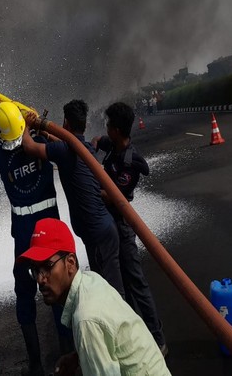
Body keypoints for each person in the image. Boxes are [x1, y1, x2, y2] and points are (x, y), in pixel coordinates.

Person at [17, 218, 171, 375]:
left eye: (47, 266)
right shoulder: (91, 280)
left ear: (70, 263)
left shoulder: (86, 319)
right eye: (35, 270)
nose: (40, 279)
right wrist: (79, 358)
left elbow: (92, 326)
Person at [0, 101, 72, 376]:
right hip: (51, 230)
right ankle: (68, 356)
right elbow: (64, 143)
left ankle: (35, 364)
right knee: (60, 292)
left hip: (24, 236)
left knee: (24, 294)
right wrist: (37, 124)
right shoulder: (39, 144)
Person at [22, 100, 124, 297]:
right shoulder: (85, 147)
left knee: (112, 293)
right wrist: (43, 130)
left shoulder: (65, 151)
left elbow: (29, 147)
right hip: (102, 230)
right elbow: (61, 141)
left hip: (98, 233)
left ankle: (122, 326)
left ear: (66, 122)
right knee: (106, 287)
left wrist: (25, 125)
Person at [92, 101, 168, 355]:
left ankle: (158, 339)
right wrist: (91, 146)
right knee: (121, 280)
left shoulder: (131, 161)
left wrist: (92, 188)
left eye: (108, 124)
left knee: (136, 281)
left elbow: (116, 196)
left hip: (123, 225)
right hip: (109, 222)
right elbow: (96, 140)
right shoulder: (111, 145)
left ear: (117, 129)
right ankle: (137, 332)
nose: (105, 128)